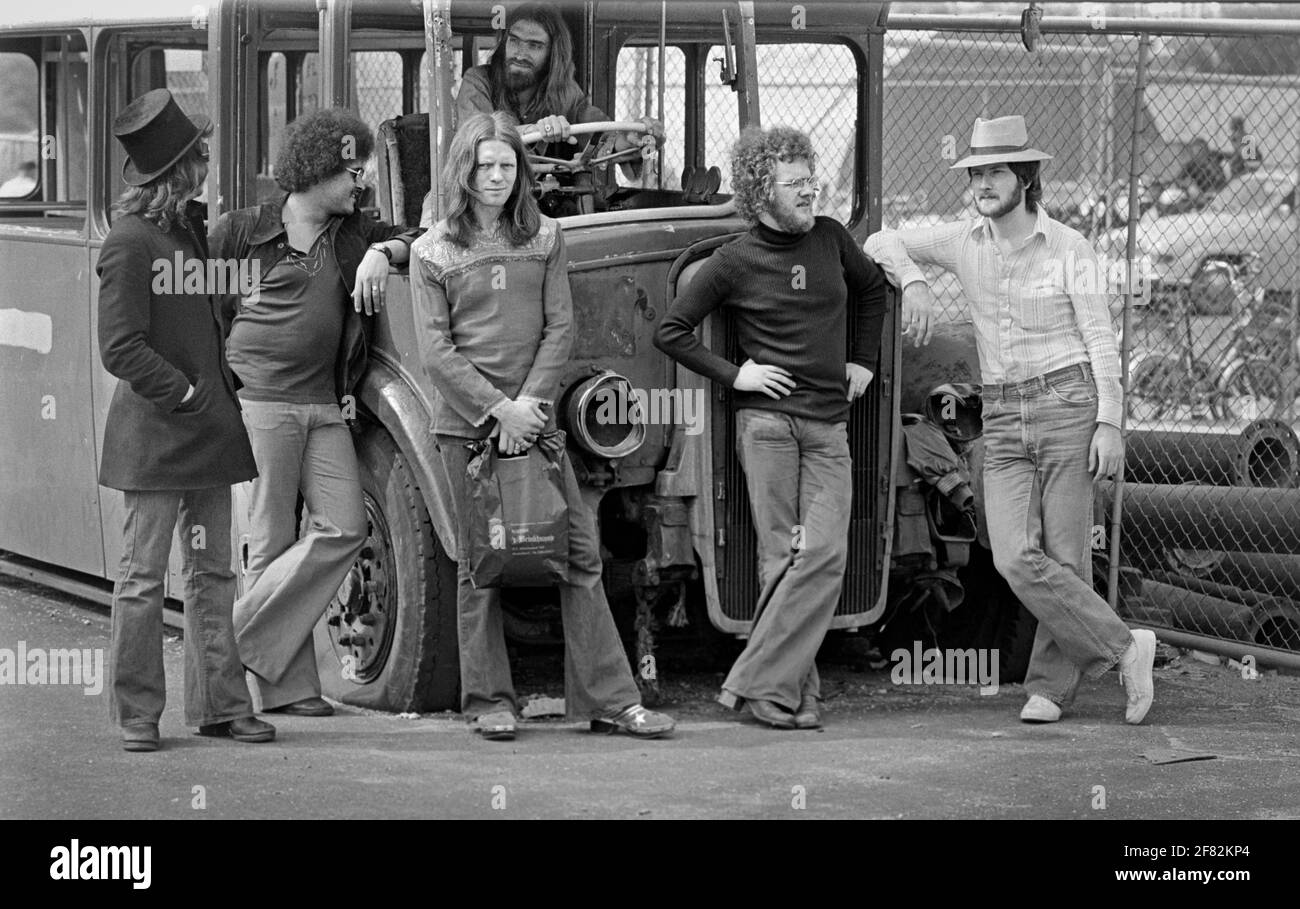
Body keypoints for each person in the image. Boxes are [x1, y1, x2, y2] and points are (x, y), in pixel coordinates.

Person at [864, 114, 1157, 725]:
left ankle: (1049, 687)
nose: (983, 183)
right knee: (1013, 555)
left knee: (1067, 553)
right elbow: (881, 240)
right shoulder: (962, 241)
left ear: (1025, 176)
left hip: (1067, 403)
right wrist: (915, 282)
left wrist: (1110, 422)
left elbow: (1101, 339)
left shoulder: (1070, 247)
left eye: (996, 171)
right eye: (976, 172)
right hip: (999, 412)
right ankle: (1125, 645)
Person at [410, 110, 674, 741]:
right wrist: (497, 410)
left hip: (538, 426)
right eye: (485, 165)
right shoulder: (431, 250)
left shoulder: (547, 237)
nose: (496, 176)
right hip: (467, 428)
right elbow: (435, 351)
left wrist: (526, 408)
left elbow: (561, 329)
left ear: (520, 172)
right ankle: (490, 703)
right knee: (482, 562)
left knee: (578, 554)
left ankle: (611, 700)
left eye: (507, 165)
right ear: (463, 171)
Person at [654, 126, 890, 730]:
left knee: (824, 554)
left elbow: (870, 293)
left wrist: (863, 360)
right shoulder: (733, 259)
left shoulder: (834, 240)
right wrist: (737, 377)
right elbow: (672, 331)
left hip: (829, 427)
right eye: (796, 183)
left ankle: (755, 683)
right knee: (781, 557)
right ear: (762, 193)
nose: (811, 191)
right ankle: (791, 694)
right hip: (766, 428)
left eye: (811, 179)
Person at [210, 109, 419, 716]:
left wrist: (387, 251)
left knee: (345, 528)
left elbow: (426, 234)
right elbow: (205, 313)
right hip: (261, 403)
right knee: (271, 539)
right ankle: (288, 690)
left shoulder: (354, 234)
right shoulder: (238, 232)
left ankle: (236, 635)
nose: (362, 184)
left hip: (324, 405)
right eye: (353, 172)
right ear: (318, 170)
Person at [98, 88, 274, 751]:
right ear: (180, 169)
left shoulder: (189, 230)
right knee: (142, 580)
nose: (207, 162)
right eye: (199, 155)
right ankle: (138, 714)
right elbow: (120, 348)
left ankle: (221, 707)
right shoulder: (128, 243)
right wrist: (190, 392)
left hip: (203, 434)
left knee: (211, 575)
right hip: (158, 436)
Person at [420, 1, 662, 225]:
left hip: (539, 207)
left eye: (534, 46)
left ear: (553, 54)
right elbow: (476, 136)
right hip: (481, 200)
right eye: (514, 41)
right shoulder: (479, 80)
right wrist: (537, 130)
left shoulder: (565, 93)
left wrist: (629, 138)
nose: (520, 53)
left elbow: (598, 131)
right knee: (440, 205)